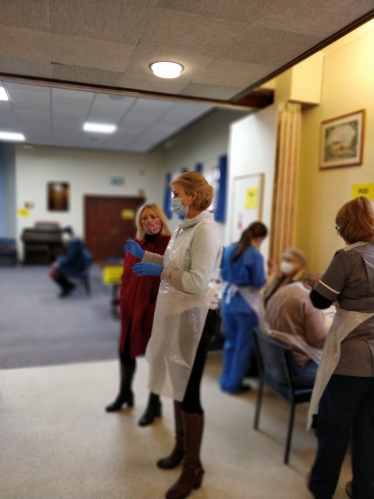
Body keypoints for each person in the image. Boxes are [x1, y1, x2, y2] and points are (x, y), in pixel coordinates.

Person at [126, 171, 222, 499]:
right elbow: (173, 263)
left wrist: (160, 271)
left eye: (176, 193)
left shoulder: (207, 232)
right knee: (178, 387)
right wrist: (147, 257)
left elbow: (196, 282)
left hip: (195, 319)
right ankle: (181, 450)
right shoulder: (184, 227)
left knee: (190, 393)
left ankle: (192, 468)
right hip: (178, 317)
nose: (173, 200)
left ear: (192, 197)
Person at [307, 196, 374, 499]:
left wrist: (316, 284)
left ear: (347, 226)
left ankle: (322, 490)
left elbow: (321, 300)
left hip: (351, 359)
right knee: (368, 431)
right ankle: (363, 489)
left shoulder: (347, 256)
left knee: (334, 429)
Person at [105, 203, 171, 428]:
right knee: (125, 350)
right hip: (131, 309)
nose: (149, 221)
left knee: (156, 358)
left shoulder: (170, 245)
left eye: (153, 216)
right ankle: (125, 394)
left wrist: (154, 309)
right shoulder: (136, 244)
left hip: (154, 311)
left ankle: (155, 404)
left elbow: (172, 278)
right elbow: (127, 275)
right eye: (144, 218)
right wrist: (123, 299)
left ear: (161, 218)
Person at [219, 222, 273, 394]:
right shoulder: (255, 256)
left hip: (228, 301)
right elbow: (259, 284)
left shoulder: (228, 250)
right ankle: (234, 384)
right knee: (243, 347)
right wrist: (273, 274)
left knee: (230, 343)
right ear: (259, 239)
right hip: (246, 305)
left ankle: (226, 380)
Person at [265, 272, 329, 387]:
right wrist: (334, 331)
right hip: (294, 372)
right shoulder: (310, 301)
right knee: (343, 371)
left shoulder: (287, 289)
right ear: (319, 282)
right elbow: (318, 340)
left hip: (273, 364)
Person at [49, 227, 86, 298]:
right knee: (56, 265)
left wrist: (59, 263)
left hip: (76, 266)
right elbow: (70, 257)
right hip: (76, 263)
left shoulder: (74, 244)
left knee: (53, 272)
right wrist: (60, 261)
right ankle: (69, 286)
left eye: (64, 234)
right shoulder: (74, 241)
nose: (62, 236)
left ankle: (67, 287)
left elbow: (70, 259)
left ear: (68, 234)